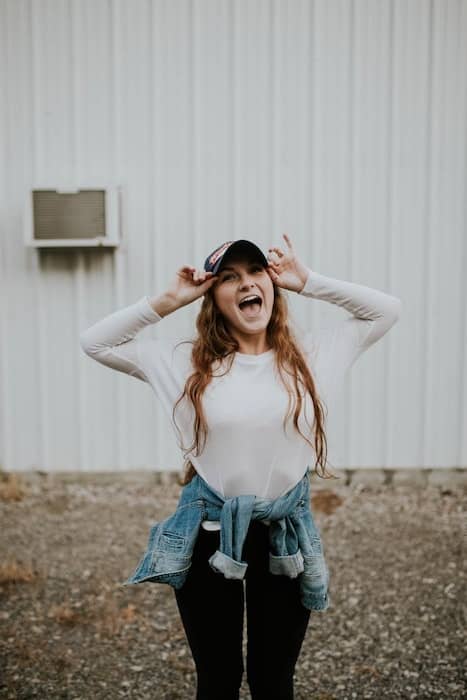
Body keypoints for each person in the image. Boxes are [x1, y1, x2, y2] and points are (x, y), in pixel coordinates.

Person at [79, 233, 402, 699]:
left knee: (274, 681)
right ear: (214, 299)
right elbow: (95, 343)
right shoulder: (185, 363)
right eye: (229, 278)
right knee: (218, 680)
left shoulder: (314, 354)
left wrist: (307, 281)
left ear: (271, 284)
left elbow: (386, 309)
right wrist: (169, 300)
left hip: (282, 535)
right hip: (209, 530)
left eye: (255, 272)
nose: (247, 283)